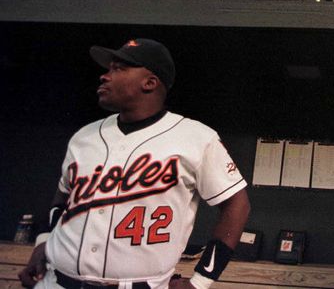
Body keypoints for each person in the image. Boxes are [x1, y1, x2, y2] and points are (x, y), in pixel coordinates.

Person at [18, 38, 251, 289]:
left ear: (149, 82)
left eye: (118, 69)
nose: (105, 76)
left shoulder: (196, 138)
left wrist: (201, 281)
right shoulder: (84, 136)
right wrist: (44, 242)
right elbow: (63, 196)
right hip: (56, 282)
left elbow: (237, 204)